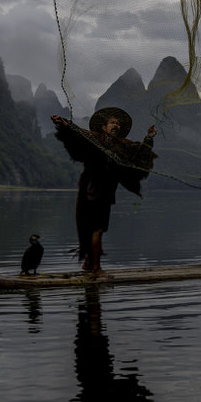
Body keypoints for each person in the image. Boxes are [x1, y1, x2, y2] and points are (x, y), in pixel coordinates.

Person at [51, 108, 157, 276]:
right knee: (97, 229)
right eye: (112, 123)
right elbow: (77, 133)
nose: (116, 125)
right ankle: (96, 268)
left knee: (94, 228)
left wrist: (149, 138)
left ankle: (88, 263)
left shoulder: (122, 146)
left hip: (106, 192)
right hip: (94, 190)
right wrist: (63, 123)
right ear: (104, 127)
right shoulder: (94, 140)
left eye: (118, 124)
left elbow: (139, 152)